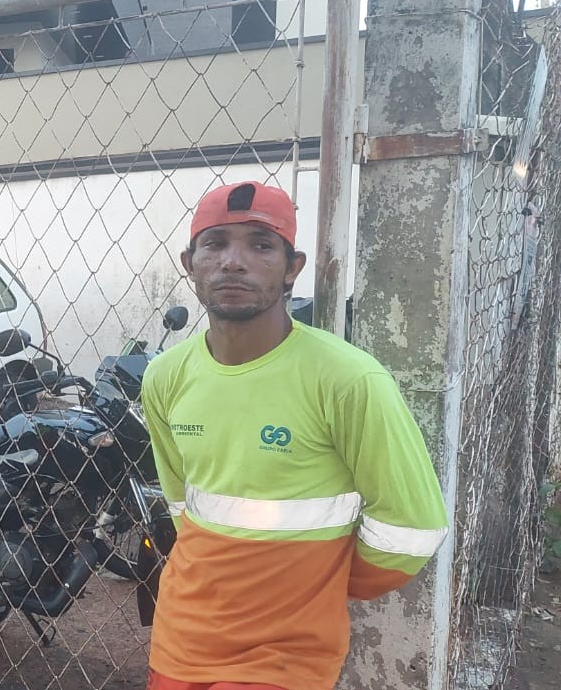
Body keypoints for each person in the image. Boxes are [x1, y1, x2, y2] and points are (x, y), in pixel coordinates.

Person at [140, 181, 449, 690]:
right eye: (215, 243)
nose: (233, 262)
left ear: (293, 266)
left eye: (261, 245)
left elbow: (412, 530)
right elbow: (183, 503)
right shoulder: (165, 376)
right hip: (180, 640)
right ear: (188, 261)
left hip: (284, 657)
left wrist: (319, 587)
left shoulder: (347, 380)